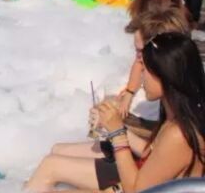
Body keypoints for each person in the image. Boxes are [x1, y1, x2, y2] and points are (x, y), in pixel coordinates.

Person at [25, 12, 205, 193]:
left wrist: (118, 133)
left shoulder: (179, 133)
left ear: (166, 75)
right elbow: (154, 155)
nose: (141, 79)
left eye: (146, 71)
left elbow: (137, 191)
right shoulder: (176, 114)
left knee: (50, 170)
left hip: (135, 186)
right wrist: (115, 127)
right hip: (139, 181)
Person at [119, 0, 192, 117]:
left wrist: (129, 93)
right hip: (180, 92)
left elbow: (139, 63)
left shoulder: (146, 31)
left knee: (110, 107)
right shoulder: (180, 25)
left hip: (157, 94)